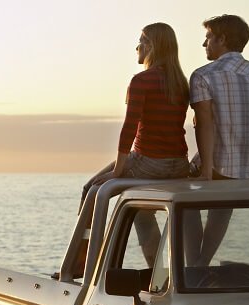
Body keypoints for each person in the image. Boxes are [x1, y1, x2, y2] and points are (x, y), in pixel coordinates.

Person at [185, 14, 249, 266]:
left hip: (223, 173)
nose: (204, 44)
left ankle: (193, 267)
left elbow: (204, 123)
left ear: (222, 39)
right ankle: (202, 264)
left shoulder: (203, 75)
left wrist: (205, 171)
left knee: (179, 193)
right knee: (222, 201)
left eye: (207, 38)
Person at [81, 23, 191, 205]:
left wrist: (117, 171)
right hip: (179, 164)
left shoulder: (141, 80)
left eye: (141, 41)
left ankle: (91, 234)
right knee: (140, 208)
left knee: (92, 188)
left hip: (149, 163)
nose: (137, 47)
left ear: (151, 46)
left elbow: (130, 127)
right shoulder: (181, 82)